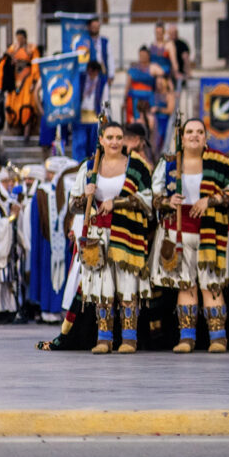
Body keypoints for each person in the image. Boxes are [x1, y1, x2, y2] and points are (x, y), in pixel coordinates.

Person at [149, 119, 229, 353]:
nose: (194, 136)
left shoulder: (220, 162)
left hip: (212, 230)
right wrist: (167, 201)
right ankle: (187, 338)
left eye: (200, 132)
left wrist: (209, 200)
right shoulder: (169, 162)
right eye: (189, 131)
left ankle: (218, 338)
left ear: (206, 138)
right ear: (181, 136)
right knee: (185, 285)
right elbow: (154, 196)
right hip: (179, 230)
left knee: (212, 285)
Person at [66, 121, 153, 354]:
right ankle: (104, 339)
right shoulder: (89, 167)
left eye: (118, 137)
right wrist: (85, 198)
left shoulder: (136, 166)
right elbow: (73, 206)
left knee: (127, 286)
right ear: (101, 140)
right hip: (98, 235)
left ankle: (129, 339)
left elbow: (147, 199)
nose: (115, 141)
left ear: (123, 140)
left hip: (127, 233)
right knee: (102, 287)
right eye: (110, 137)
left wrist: (117, 202)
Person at [27, 157, 79, 323]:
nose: (48, 175)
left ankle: (60, 308)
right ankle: (50, 308)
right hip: (49, 242)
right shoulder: (43, 192)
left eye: (51, 172)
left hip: (61, 241)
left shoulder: (68, 190)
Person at [0, 168, 23, 322]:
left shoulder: (5, 200)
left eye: (10, 181)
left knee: (7, 282)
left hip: (8, 251)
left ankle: (7, 309)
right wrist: (12, 217)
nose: (9, 184)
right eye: (6, 182)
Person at [73, 61, 108, 162]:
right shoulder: (81, 79)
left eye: (94, 72)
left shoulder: (101, 82)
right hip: (80, 116)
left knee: (93, 145)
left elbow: (105, 100)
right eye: (90, 71)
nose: (92, 74)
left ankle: (93, 165)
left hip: (94, 115)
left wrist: (104, 118)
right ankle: (79, 165)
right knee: (79, 144)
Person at [125, 47, 163, 125]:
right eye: (141, 55)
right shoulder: (133, 68)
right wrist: (124, 99)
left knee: (149, 119)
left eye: (144, 55)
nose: (142, 57)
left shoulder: (153, 67)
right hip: (134, 98)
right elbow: (128, 85)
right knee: (135, 120)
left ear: (148, 56)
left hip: (149, 98)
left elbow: (162, 80)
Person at [85, 17, 116, 84]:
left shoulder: (104, 41)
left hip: (102, 73)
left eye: (97, 26)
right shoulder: (85, 41)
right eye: (93, 26)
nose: (95, 28)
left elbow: (110, 57)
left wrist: (111, 75)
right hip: (88, 75)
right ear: (89, 27)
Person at [151, 75, 176, 155]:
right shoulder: (154, 94)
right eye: (158, 82)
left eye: (161, 82)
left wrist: (158, 109)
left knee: (161, 142)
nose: (159, 84)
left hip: (164, 121)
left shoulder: (169, 95)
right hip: (155, 121)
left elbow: (170, 110)